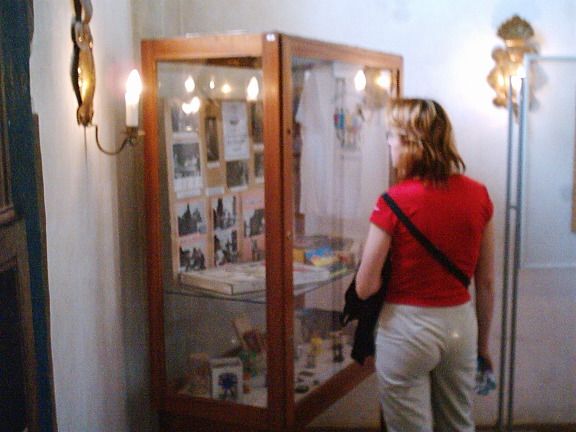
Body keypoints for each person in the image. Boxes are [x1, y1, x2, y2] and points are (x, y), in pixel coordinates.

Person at [355, 98, 495, 432]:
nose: (389, 143)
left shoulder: (392, 201)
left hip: (405, 328)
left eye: (392, 135)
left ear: (410, 142)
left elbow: (364, 286)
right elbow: (486, 282)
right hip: (460, 326)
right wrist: (483, 346)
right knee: (458, 424)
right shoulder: (479, 195)